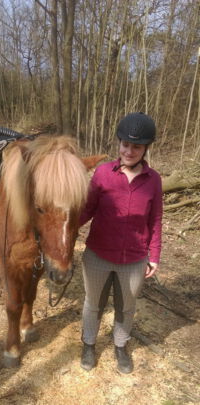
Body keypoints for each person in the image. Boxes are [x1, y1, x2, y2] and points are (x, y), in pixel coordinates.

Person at [79, 112, 163, 373]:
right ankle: (89, 345)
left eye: (136, 146)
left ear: (145, 148)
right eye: (125, 144)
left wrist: (154, 255)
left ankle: (120, 346)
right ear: (119, 144)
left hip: (134, 258)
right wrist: (63, 231)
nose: (129, 150)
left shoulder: (154, 180)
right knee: (93, 304)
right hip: (97, 256)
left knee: (126, 307)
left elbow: (156, 219)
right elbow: (87, 210)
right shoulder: (103, 173)